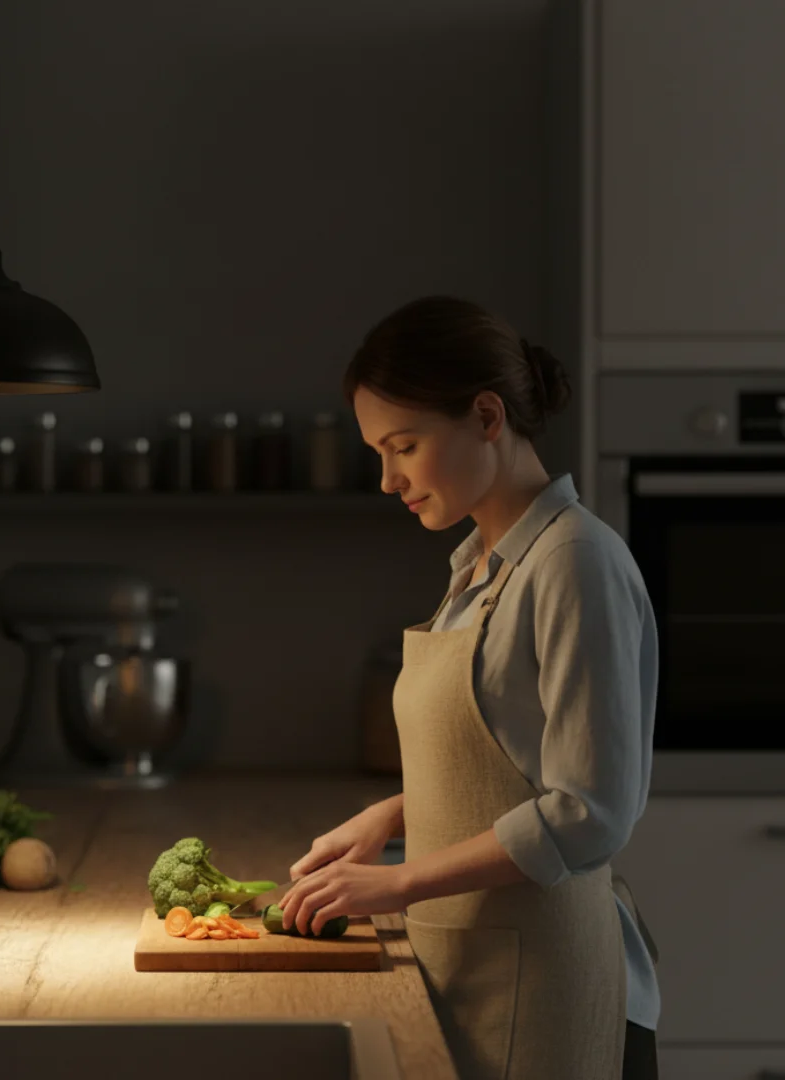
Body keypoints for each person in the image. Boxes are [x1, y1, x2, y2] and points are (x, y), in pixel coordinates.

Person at [279, 297, 660, 1080]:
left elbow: (590, 811)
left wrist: (397, 879)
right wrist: (389, 817)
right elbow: (513, 762)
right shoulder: (477, 567)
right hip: (476, 963)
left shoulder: (574, 562)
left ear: (487, 416)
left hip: (551, 983)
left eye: (404, 446)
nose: (388, 480)